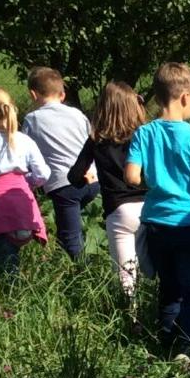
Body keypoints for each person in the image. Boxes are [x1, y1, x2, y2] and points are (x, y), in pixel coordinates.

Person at [125, 62, 190, 359]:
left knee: (169, 285)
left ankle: (166, 339)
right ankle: (188, 346)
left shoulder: (144, 134)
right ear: (185, 96)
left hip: (157, 222)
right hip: (189, 224)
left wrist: (157, 180)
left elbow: (132, 176)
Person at [68, 81, 148, 298]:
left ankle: (132, 320)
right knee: (150, 271)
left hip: (119, 211)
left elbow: (73, 176)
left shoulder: (96, 140)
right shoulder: (143, 136)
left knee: (126, 277)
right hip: (149, 208)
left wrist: (86, 179)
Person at [0, 86, 50, 278]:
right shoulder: (25, 140)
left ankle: (5, 297)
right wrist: (28, 181)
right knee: (15, 254)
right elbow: (44, 173)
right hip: (23, 204)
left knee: (2, 263)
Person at [22, 66, 98, 260]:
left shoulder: (32, 120)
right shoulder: (77, 114)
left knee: (70, 235)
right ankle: (65, 257)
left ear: (33, 94)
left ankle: (81, 273)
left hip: (64, 184)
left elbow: (25, 151)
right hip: (92, 179)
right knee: (71, 226)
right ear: (62, 95)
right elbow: (90, 140)